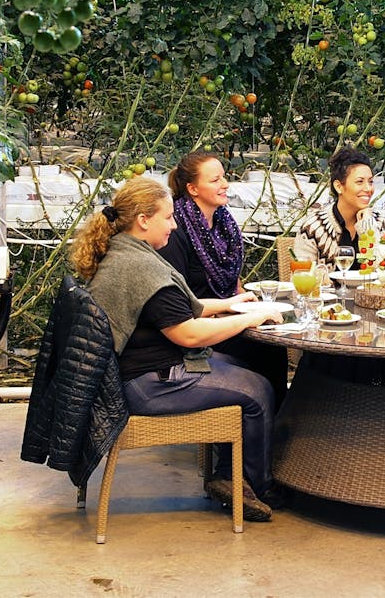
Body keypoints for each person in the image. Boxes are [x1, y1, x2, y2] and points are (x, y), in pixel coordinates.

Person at [70, 176, 288, 522]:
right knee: (258, 390)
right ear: (144, 219)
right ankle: (254, 485)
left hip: (138, 372)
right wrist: (251, 318)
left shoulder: (125, 252)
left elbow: (177, 307)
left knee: (247, 366)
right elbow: (188, 334)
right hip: (147, 384)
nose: (174, 225)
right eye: (168, 217)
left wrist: (231, 304)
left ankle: (230, 473)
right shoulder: (140, 267)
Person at [156, 152, 291, 408]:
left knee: (273, 340)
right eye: (215, 180)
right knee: (266, 351)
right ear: (193, 189)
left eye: (224, 177)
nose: (225, 184)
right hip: (197, 326)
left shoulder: (223, 223)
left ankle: (277, 424)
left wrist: (243, 301)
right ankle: (256, 427)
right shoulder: (174, 232)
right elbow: (178, 300)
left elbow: (232, 276)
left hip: (226, 313)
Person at [294, 148, 385, 266]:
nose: (368, 189)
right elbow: (301, 275)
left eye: (371, 182)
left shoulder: (382, 224)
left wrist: (368, 227)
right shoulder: (313, 228)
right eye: (360, 182)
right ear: (338, 186)